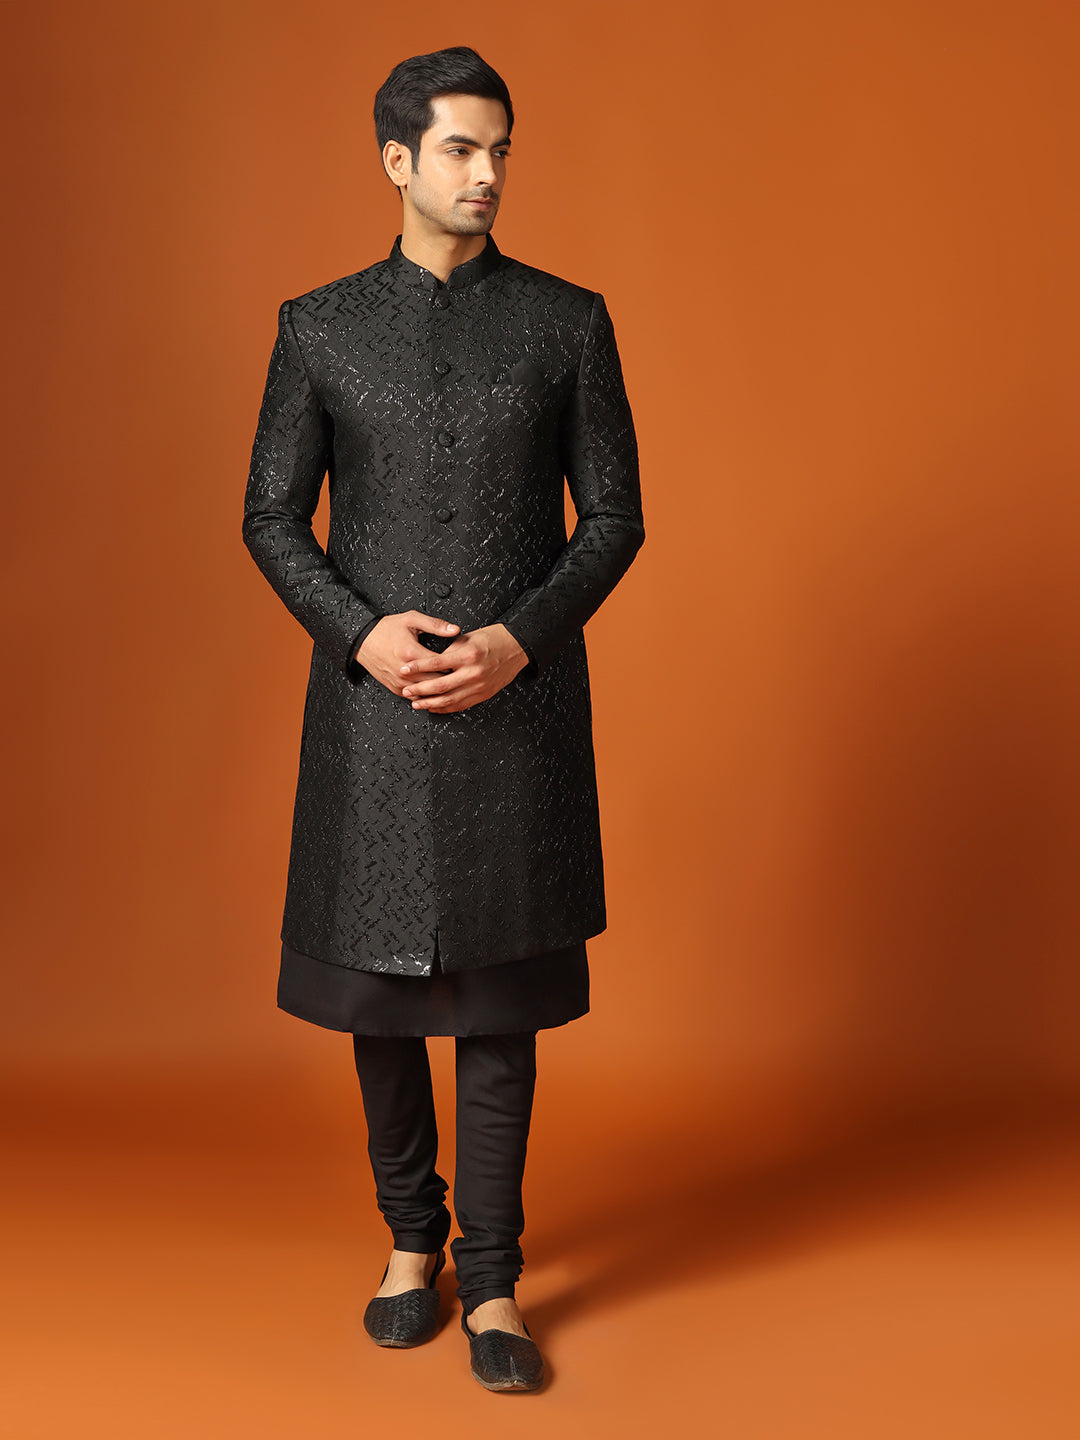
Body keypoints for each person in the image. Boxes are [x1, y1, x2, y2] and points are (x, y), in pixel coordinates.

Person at [242, 45, 644, 1392]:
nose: (487, 174)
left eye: (500, 150)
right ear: (396, 159)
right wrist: (359, 631)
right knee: (380, 992)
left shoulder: (567, 322)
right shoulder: (319, 326)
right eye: (463, 148)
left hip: (516, 706)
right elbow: (269, 515)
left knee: (499, 1001)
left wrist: (519, 640)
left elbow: (616, 518)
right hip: (376, 706)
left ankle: (495, 1280)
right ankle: (410, 1246)